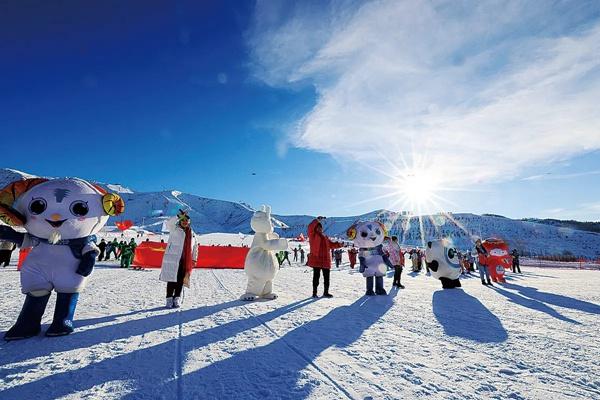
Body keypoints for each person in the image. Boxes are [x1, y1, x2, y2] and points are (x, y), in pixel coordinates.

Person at [159, 210, 198, 308]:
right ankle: (169, 299)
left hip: (185, 261)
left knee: (180, 280)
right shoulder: (174, 229)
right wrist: (178, 216)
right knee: (171, 279)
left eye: (187, 221)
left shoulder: (192, 233)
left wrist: (194, 259)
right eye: (183, 220)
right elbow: (168, 223)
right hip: (173, 258)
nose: (185, 222)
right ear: (180, 221)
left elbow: (195, 247)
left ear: (189, 222)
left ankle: (177, 298)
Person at [307, 216, 342, 298]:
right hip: (317, 259)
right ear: (315, 228)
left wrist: (340, 244)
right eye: (318, 227)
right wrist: (317, 220)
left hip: (326, 260)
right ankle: (314, 293)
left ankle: (326, 292)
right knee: (316, 277)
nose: (320, 229)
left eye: (321, 227)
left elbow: (332, 245)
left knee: (327, 278)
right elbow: (310, 228)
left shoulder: (325, 237)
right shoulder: (313, 235)